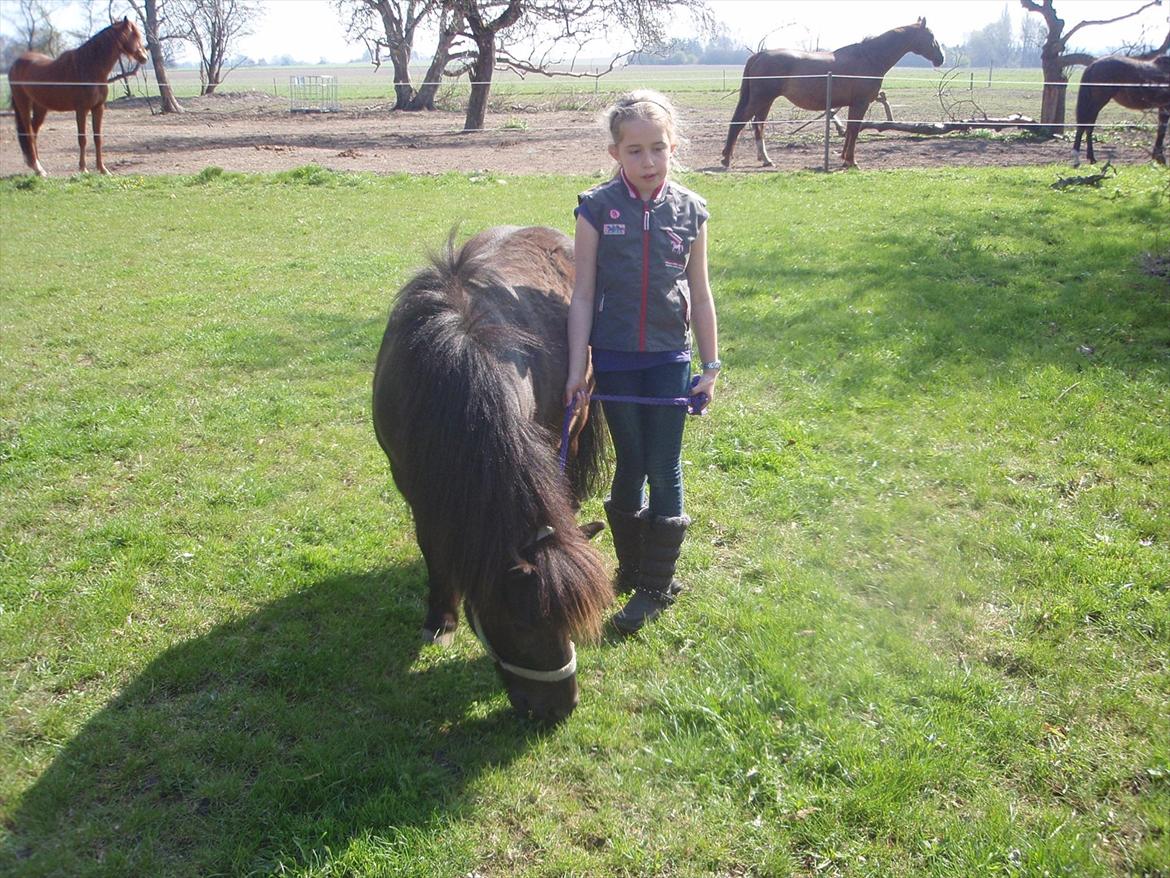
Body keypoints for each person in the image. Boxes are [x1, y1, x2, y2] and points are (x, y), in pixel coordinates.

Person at [564, 89, 721, 635]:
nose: (648, 162)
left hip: (668, 361)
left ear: (672, 147)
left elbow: (700, 295)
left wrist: (711, 365)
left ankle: (656, 586)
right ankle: (632, 568)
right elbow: (582, 295)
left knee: (664, 465)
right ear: (615, 153)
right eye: (634, 151)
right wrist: (575, 371)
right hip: (613, 360)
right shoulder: (595, 208)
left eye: (658, 148)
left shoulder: (691, 211)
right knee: (629, 462)